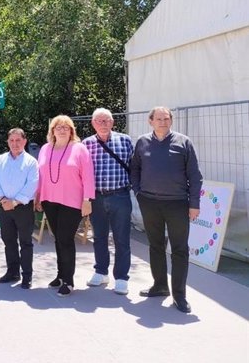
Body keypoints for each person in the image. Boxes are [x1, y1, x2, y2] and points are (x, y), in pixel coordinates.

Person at [131, 106, 202, 313]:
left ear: (171, 120)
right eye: (159, 118)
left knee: (179, 250)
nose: (163, 122)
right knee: (155, 245)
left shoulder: (183, 142)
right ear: (150, 121)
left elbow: (195, 176)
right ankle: (160, 286)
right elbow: (134, 169)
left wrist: (194, 204)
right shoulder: (142, 142)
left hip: (177, 204)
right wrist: (138, 192)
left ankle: (179, 295)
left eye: (166, 118)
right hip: (149, 203)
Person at [35, 115, 95, 297]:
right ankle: (60, 275)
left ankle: (68, 281)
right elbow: (40, 175)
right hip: (49, 200)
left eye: (66, 127)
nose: (62, 130)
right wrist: (37, 197)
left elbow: (88, 176)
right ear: (52, 131)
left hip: (72, 202)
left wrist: (87, 200)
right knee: (58, 239)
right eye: (58, 127)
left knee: (66, 239)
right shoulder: (45, 149)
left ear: (71, 131)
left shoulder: (79, 149)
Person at [83, 108, 134, 295]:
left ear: (113, 122)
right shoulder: (86, 144)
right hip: (96, 197)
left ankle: (121, 277)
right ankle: (101, 271)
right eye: (99, 121)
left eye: (106, 121)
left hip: (120, 196)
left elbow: (134, 167)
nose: (103, 124)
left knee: (122, 238)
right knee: (99, 237)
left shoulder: (125, 140)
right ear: (93, 123)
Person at [0, 128, 39, 288]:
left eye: (18, 140)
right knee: (8, 241)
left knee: (25, 242)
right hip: (5, 206)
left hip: (23, 207)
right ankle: (12, 272)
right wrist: (3, 199)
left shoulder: (31, 162)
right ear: (8, 142)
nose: (15, 143)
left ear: (24, 141)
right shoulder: (0, 160)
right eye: (12, 140)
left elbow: (32, 184)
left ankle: (27, 276)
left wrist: (15, 202)